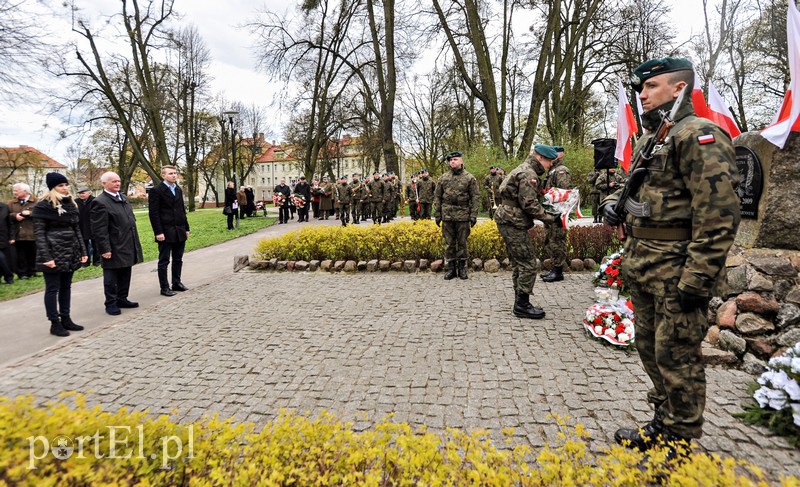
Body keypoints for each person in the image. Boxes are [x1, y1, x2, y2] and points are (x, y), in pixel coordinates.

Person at [602, 57, 740, 460]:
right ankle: (663, 421)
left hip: (677, 269)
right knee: (650, 349)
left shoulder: (698, 134)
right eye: (640, 89)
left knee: (678, 356)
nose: (642, 95)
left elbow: (718, 215)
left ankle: (678, 444)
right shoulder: (653, 139)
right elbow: (634, 188)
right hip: (644, 264)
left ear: (679, 89)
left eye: (651, 87)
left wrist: (697, 279)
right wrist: (615, 203)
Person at [495, 145, 560, 319]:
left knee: (519, 263)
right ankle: (522, 305)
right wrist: (551, 218)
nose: (550, 165)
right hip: (512, 221)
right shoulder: (529, 174)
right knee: (529, 263)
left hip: (508, 220)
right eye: (549, 161)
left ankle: (519, 300)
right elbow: (529, 204)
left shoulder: (525, 169)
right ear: (540, 158)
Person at [31, 173, 88, 336]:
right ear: (52, 188)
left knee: (66, 287)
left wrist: (83, 251)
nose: (64, 188)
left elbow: (77, 229)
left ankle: (66, 318)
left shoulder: (70, 204)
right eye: (60, 186)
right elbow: (39, 234)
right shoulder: (43, 206)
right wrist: (47, 257)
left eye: (66, 185)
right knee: (52, 288)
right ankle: (54, 323)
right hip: (52, 252)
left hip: (70, 251)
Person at [90, 171, 144, 316]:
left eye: (118, 181)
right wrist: (104, 249)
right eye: (113, 181)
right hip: (113, 245)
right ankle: (111, 303)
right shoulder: (100, 202)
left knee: (126, 272)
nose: (117, 183)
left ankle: (122, 298)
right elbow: (99, 229)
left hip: (127, 242)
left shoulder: (123, 198)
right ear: (104, 184)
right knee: (111, 277)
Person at [434, 151, 480, 280]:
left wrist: (473, 215)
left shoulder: (469, 178)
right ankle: (451, 268)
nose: (452, 162)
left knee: (462, 242)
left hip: (463, 214)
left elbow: (475, 197)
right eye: (450, 160)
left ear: (461, 161)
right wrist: (437, 214)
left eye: (455, 159)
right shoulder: (443, 178)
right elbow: (437, 197)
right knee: (449, 243)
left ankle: (462, 268)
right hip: (447, 214)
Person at [148, 165, 190, 297]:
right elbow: (153, 214)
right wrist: (158, 232)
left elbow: (182, 210)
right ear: (163, 175)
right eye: (171, 173)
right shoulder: (156, 191)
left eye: (175, 173)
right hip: (165, 231)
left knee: (178, 258)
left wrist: (186, 228)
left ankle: (176, 282)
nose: (174, 175)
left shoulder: (177, 189)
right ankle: (164, 287)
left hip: (179, 230)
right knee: (164, 260)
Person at [539, 145, 572, 283]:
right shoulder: (552, 170)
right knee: (550, 240)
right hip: (551, 211)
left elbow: (563, 192)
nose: (553, 155)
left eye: (556, 153)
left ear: (561, 154)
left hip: (558, 212)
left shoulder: (561, 170)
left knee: (557, 240)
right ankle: (555, 267)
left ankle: (558, 270)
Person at [8, 182, 37, 280]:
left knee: (33, 253)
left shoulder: (36, 201)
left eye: (16, 190)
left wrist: (30, 213)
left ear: (24, 191)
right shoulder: (12, 203)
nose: (14, 192)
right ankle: (22, 273)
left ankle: (33, 271)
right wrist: (15, 216)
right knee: (21, 255)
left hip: (32, 233)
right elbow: (7, 215)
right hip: (19, 233)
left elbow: (42, 213)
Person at [76, 187, 100, 266]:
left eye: (83, 193)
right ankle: (86, 262)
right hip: (81, 226)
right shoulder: (76, 202)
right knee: (83, 246)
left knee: (95, 245)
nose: (81, 195)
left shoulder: (95, 201)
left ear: (89, 193)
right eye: (80, 193)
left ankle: (97, 261)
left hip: (93, 226)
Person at [0, 201, 15, 284]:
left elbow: (10, 224)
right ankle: (9, 277)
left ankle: (8, 278)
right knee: (1, 258)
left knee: (5, 260)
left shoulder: (4, 207)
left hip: (4, 238)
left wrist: (12, 237)